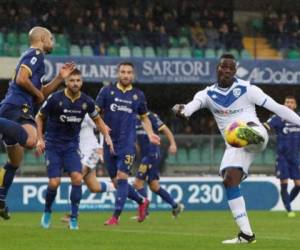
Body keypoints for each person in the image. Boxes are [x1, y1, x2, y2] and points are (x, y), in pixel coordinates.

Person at [172, 54, 300, 244]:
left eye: (231, 69)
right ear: (218, 68)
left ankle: (249, 132)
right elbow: (191, 107)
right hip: (234, 144)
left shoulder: (248, 89)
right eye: (224, 67)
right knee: (229, 180)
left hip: (255, 132)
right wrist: (182, 110)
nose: (227, 71)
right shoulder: (206, 94)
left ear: (235, 71)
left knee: (242, 130)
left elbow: (278, 109)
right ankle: (246, 234)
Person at [0, 26, 76, 219]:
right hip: (18, 107)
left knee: (14, 161)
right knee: (32, 140)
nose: (53, 42)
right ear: (42, 38)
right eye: (51, 38)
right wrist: (37, 93)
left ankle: (0, 201)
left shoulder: (37, 59)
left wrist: (59, 78)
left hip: (13, 109)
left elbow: (40, 94)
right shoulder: (36, 54)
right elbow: (21, 79)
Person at [35, 69, 113, 230]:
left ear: (82, 82)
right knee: (54, 183)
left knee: (77, 178)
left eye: (78, 80)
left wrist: (107, 137)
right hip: (53, 146)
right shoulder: (55, 99)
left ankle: (74, 219)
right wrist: (39, 139)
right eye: (72, 80)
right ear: (66, 82)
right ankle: (48, 211)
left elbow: (98, 120)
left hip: (71, 147)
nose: (75, 83)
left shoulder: (86, 101)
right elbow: (39, 117)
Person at [95, 61, 160, 226]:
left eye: (129, 72)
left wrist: (151, 133)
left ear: (133, 75)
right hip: (109, 143)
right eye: (123, 72)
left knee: (122, 177)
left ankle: (115, 217)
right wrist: (101, 129)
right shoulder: (106, 91)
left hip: (127, 144)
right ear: (118, 73)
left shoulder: (138, 95)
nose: (126, 75)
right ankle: (141, 201)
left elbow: (144, 117)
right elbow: (95, 114)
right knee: (117, 183)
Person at [61, 114, 115, 223]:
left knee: (76, 177)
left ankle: (73, 213)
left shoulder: (85, 113)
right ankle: (120, 185)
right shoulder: (65, 113)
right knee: (94, 187)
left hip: (92, 150)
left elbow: (101, 126)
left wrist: (100, 147)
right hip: (80, 153)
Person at [133, 112, 184, 217]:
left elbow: (166, 130)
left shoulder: (151, 117)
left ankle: (144, 212)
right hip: (144, 156)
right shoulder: (133, 118)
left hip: (151, 155)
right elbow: (136, 139)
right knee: (154, 186)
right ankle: (175, 206)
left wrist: (173, 144)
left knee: (138, 183)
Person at [265, 95, 300, 217]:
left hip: (295, 157)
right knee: (283, 182)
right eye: (287, 102)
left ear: (295, 105)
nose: (289, 104)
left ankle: (287, 203)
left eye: (291, 102)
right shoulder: (278, 118)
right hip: (282, 157)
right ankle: (289, 210)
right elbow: (267, 126)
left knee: (298, 185)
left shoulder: (298, 119)